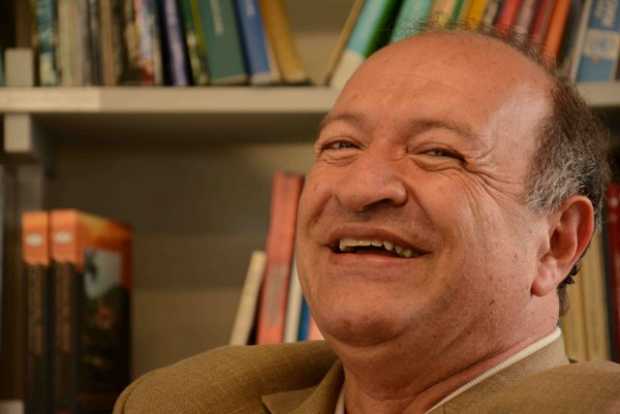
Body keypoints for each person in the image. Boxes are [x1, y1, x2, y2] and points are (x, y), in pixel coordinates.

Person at [113, 27, 620, 414]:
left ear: (556, 242)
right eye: (341, 145)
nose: (360, 188)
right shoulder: (181, 402)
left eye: (437, 152)